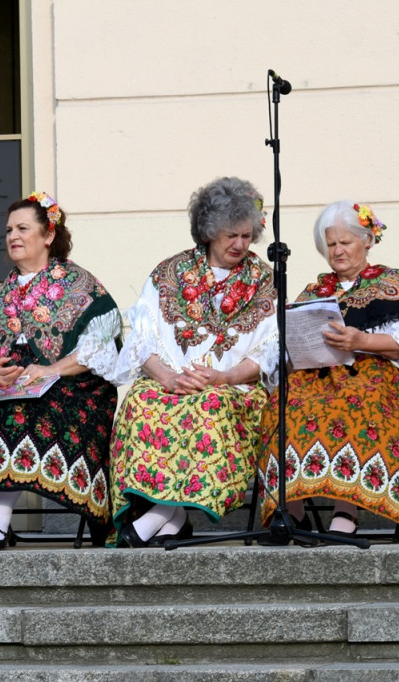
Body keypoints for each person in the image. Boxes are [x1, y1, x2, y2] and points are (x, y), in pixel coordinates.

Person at [0, 192, 121, 551]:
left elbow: (100, 348)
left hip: (69, 386)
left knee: (22, 412)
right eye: (8, 230)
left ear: (48, 235)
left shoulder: (81, 286)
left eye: (22, 228)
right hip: (9, 382)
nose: (13, 236)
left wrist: (49, 370)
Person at [257, 201, 399, 543]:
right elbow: (282, 349)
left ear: (367, 241)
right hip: (315, 376)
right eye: (331, 244)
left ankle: (345, 512)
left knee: (354, 404)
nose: (338, 251)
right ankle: (293, 509)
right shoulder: (314, 291)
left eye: (345, 243)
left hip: (376, 378)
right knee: (283, 406)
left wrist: (361, 339)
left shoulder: (391, 284)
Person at [109, 176, 278, 547]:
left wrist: (224, 377)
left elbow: (269, 349)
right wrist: (167, 378)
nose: (240, 244)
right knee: (142, 400)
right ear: (208, 231)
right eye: (231, 235)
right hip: (170, 381)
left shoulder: (264, 281)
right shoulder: (168, 273)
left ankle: (158, 517)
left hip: (231, 387)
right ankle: (172, 519)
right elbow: (142, 337)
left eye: (248, 236)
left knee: (209, 405)